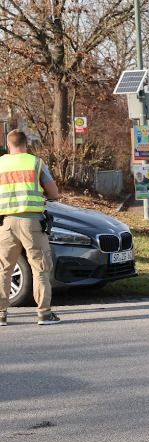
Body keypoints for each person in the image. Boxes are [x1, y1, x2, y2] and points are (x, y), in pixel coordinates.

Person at [0, 129, 63, 326]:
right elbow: (53, 193)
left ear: (8, 145)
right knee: (40, 268)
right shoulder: (35, 163)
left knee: (4, 269)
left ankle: (1, 314)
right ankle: (44, 314)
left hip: (7, 222)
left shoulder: (0, 163)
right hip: (32, 223)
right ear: (26, 144)